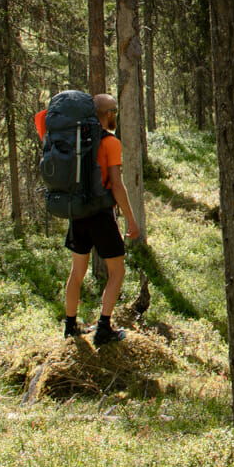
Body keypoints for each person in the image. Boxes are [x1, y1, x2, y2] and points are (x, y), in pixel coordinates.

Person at [33, 92, 143, 346]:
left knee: (77, 271)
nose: (115, 114)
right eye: (113, 110)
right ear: (107, 114)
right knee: (117, 271)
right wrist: (130, 220)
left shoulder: (75, 140)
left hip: (77, 211)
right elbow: (116, 185)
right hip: (101, 215)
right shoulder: (110, 143)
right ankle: (104, 328)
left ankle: (70, 326)